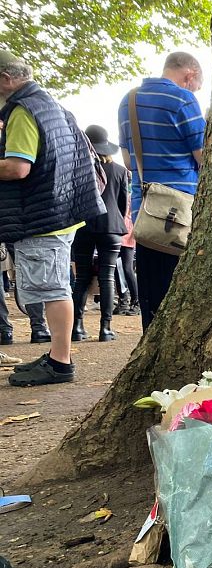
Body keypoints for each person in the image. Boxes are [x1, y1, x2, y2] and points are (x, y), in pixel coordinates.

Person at [0, 50, 105, 386]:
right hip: (61, 211)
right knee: (54, 285)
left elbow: (18, 166)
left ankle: (60, 362)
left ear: (5, 79)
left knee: (52, 288)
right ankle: (58, 356)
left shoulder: (22, 110)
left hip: (40, 214)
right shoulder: (53, 105)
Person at [117, 51, 205, 331]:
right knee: (181, 289)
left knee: (152, 290)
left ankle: (150, 344)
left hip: (146, 209)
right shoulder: (183, 99)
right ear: (189, 76)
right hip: (180, 209)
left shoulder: (128, 100)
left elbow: (129, 161)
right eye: (197, 84)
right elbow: (205, 155)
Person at [71, 125, 128, 342]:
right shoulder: (121, 171)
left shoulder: (79, 169)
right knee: (107, 277)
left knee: (82, 278)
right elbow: (123, 205)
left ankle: (77, 327)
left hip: (84, 226)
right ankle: (105, 328)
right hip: (111, 227)